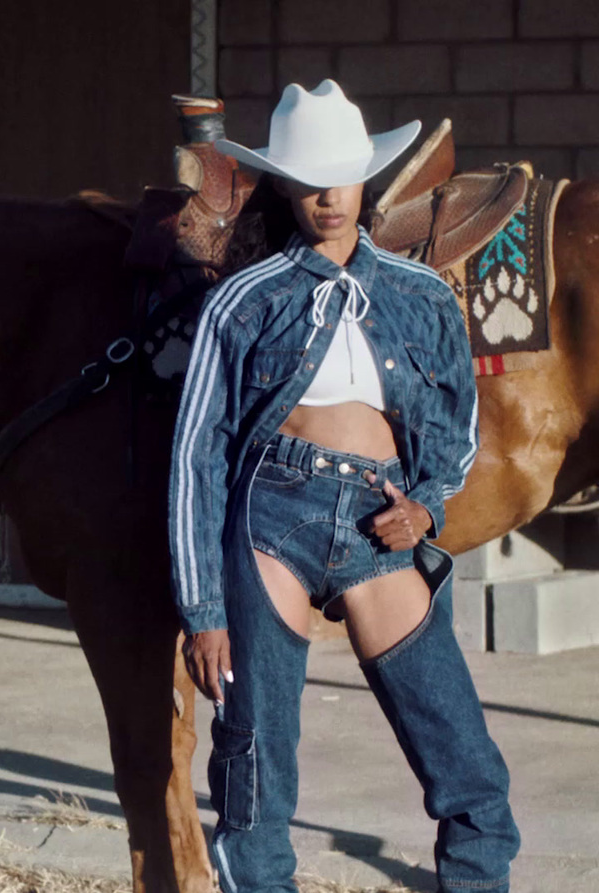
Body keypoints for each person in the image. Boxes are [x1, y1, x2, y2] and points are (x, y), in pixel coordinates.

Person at [168, 80, 519, 893]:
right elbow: (197, 456)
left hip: (379, 519)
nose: (329, 197)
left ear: (366, 181)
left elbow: (457, 426)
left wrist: (428, 503)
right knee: (256, 770)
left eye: (343, 177)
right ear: (287, 188)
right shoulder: (243, 302)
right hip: (272, 520)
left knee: (468, 767)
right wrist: (204, 609)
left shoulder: (421, 295)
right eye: (310, 180)